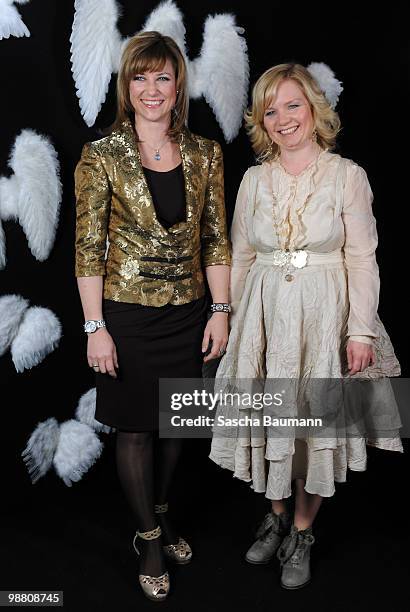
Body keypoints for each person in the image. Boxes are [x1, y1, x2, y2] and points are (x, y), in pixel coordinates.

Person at [209, 63, 402, 590]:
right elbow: (241, 256)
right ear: (260, 121)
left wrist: (360, 330)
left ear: (315, 109)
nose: (282, 118)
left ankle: (301, 530)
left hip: (325, 317)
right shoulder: (253, 178)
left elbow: (362, 257)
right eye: (270, 110)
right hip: (265, 320)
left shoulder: (347, 176)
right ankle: (273, 515)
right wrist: (231, 322)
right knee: (272, 419)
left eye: (292, 105)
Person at [74, 31, 231, 602]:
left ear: (177, 84)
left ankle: (161, 514)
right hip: (127, 316)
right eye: (140, 77)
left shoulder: (206, 153)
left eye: (162, 77)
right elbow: (88, 247)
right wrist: (96, 327)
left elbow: (216, 240)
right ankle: (147, 538)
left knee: (177, 428)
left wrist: (220, 312)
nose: (151, 89)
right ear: (126, 85)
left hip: (189, 315)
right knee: (136, 428)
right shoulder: (101, 155)